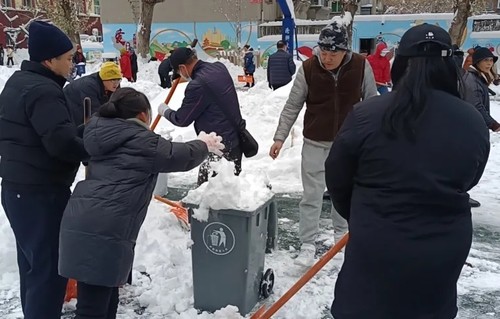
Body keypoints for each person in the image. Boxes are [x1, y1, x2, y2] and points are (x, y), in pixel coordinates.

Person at [325, 24, 490, 319]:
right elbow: (471, 177)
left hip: (376, 238)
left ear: (399, 63)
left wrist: (362, 213)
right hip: (443, 243)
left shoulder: (367, 115)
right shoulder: (472, 120)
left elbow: (337, 176)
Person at [59, 87, 224, 319]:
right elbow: (178, 155)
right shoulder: (141, 140)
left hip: (82, 220)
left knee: (102, 298)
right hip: (106, 228)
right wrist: (203, 144)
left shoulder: (95, 132)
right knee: (93, 308)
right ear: (144, 115)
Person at [269, 21, 378, 267]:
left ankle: (341, 238)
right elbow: (292, 105)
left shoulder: (361, 66)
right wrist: (280, 137)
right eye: (323, 52)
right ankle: (308, 243)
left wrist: (375, 138)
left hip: (348, 144)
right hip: (315, 141)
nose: (327, 58)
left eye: (333, 54)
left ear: (345, 51)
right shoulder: (308, 68)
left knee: (344, 193)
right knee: (311, 195)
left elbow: (372, 102)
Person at [0, 21, 88, 319]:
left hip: (17, 189)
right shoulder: (43, 91)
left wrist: (77, 133)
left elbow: (39, 134)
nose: (72, 64)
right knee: (49, 273)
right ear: (49, 60)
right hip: (41, 194)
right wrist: (93, 148)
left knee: (33, 269)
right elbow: (60, 143)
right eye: (67, 58)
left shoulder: (18, 83)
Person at [157, 47, 245, 185]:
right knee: (231, 191)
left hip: (218, 147)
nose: (181, 75)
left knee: (209, 195)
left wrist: (165, 111)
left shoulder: (197, 85)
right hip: (235, 139)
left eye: (179, 72)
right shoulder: (219, 68)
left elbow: (182, 119)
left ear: (182, 67)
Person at [64, 61, 123, 126]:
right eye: (113, 80)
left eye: (118, 80)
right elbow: (94, 112)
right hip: (69, 107)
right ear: (104, 79)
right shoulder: (89, 87)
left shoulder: (111, 86)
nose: (116, 83)